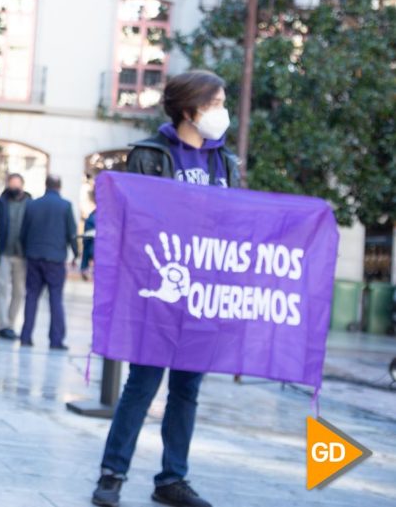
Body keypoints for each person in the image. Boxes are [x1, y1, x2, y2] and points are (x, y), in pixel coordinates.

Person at [92, 70, 239, 507]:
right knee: (142, 384)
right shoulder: (150, 156)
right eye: (216, 103)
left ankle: (172, 478)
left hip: (203, 297)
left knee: (187, 391)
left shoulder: (224, 163)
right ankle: (112, 473)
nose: (222, 112)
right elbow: (130, 222)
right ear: (191, 110)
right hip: (158, 294)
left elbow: (234, 224)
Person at [18, 175, 78, 350]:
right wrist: (75, 254)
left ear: (46, 185)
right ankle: (56, 340)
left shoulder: (32, 205)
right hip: (55, 260)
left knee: (31, 297)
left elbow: (23, 232)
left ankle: (26, 336)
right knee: (56, 300)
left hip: (34, 257)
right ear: (59, 187)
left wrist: (26, 252)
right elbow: (72, 233)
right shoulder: (65, 206)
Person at [0, 173, 31, 340]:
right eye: (11, 185)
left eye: (17, 185)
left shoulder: (30, 204)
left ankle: (11, 323)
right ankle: (3, 325)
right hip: (3, 253)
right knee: (1, 290)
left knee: (19, 291)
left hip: (22, 255)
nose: (14, 188)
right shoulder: (0, 203)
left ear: (22, 186)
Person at [80, 208, 96, 280]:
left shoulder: (90, 218)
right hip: (96, 246)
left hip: (90, 245)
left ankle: (85, 270)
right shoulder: (101, 218)